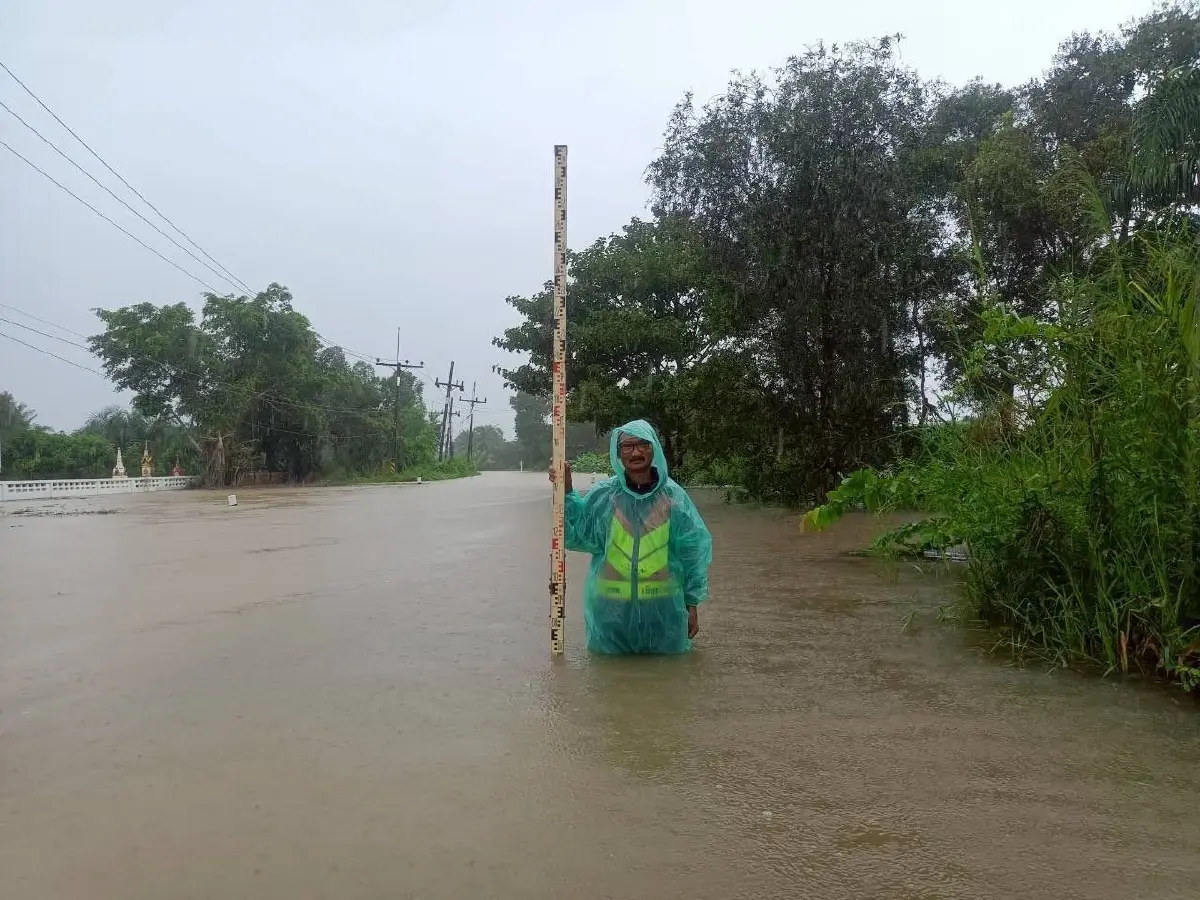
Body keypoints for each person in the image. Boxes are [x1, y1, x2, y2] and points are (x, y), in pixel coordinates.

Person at [549, 419, 713, 654]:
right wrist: (565, 491)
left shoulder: (675, 498)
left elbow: (693, 553)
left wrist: (692, 604)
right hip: (609, 615)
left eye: (642, 445)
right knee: (607, 684)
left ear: (653, 449)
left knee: (668, 684)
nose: (635, 452)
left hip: (664, 614)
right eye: (627, 446)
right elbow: (578, 536)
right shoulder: (604, 495)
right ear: (619, 453)